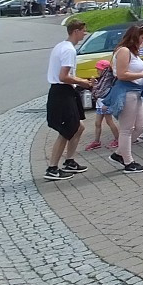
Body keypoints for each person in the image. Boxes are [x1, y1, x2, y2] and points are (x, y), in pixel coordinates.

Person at [43, 18, 92, 180]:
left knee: (79, 127)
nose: (85, 34)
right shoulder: (69, 50)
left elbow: (66, 76)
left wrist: (81, 81)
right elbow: (63, 77)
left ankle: (69, 161)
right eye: (83, 31)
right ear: (76, 31)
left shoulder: (61, 46)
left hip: (64, 91)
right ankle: (52, 168)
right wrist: (83, 82)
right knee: (66, 130)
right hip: (62, 92)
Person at [101, 24, 143, 173]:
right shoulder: (123, 51)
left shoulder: (133, 52)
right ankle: (128, 162)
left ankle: (119, 154)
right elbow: (122, 74)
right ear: (134, 37)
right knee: (127, 129)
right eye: (141, 38)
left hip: (136, 91)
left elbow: (133, 70)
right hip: (126, 91)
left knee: (141, 126)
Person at [84, 59, 120, 151]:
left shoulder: (108, 78)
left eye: (99, 69)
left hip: (105, 102)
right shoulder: (102, 79)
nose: (97, 71)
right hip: (100, 102)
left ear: (104, 70)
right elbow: (98, 88)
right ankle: (96, 141)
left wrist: (93, 85)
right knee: (97, 123)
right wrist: (94, 83)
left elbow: (101, 91)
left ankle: (118, 139)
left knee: (109, 121)